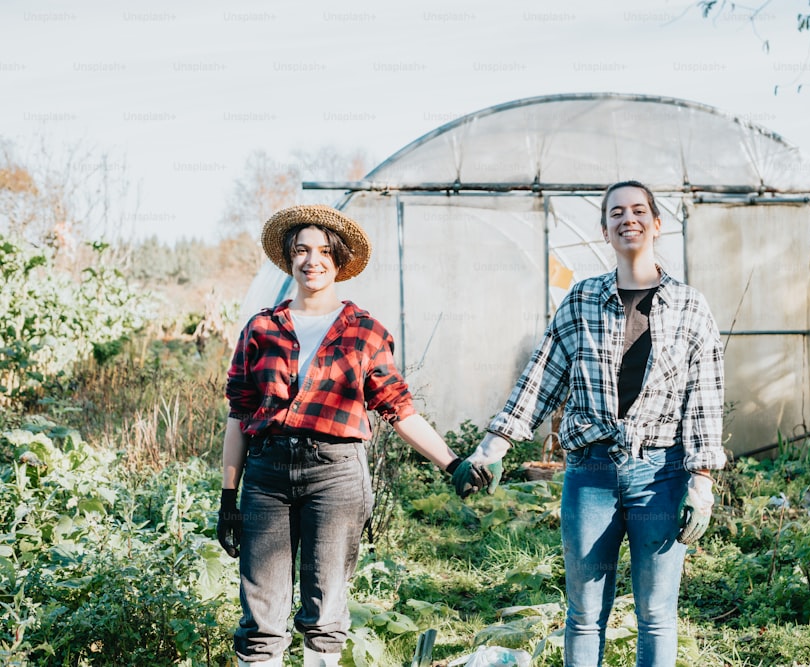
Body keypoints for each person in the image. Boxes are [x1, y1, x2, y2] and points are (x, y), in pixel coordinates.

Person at [460, 181, 726, 666]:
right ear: (604, 229)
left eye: (640, 210)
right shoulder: (582, 300)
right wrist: (491, 449)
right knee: (584, 614)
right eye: (617, 212)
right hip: (591, 476)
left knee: (656, 614)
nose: (629, 219)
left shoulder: (691, 306)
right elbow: (542, 378)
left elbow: (704, 399)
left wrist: (701, 482)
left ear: (657, 224)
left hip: (661, 477)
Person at [215, 204, 491, 667]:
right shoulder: (261, 328)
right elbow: (238, 415)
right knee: (261, 612)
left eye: (324, 251)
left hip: (335, 475)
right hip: (266, 475)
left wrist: (453, 462)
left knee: (325, 606)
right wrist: (228, 497)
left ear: (339, 260)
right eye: (301, 250)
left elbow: (398, 409)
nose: (312, 260)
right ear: (289, 258)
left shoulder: (364, 332)